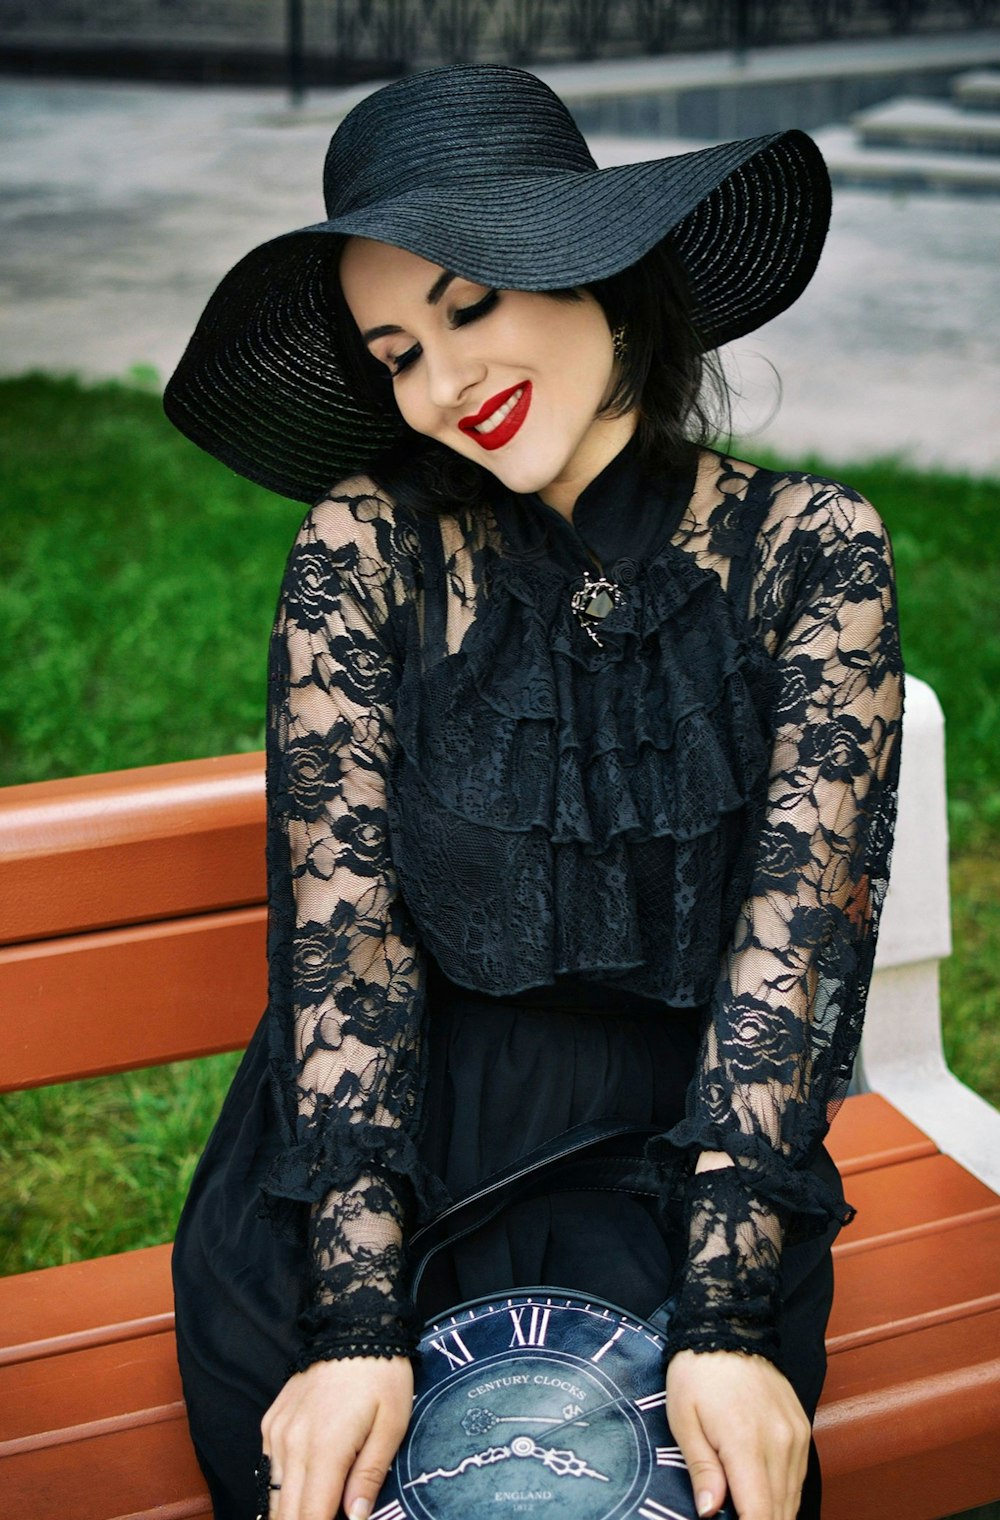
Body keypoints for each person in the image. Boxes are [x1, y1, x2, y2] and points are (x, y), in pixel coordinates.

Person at [164, 63, 903, 1520]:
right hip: (375, 1159)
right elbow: (347, 941)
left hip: (685, 1162)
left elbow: (791, 961)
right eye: (394, 351)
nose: (440, 387)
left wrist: (727, 1318)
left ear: (601, 277)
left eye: (468, 304)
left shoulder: (813, 553)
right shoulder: (366, 549)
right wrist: (358, 1321)